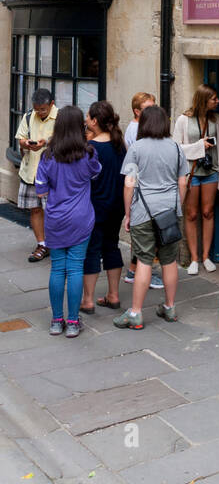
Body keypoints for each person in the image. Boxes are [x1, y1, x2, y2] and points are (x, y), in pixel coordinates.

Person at [114, 104, 187, 330]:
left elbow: (129, 184)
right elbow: (183, 181)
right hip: (170, 212)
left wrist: (128, 213)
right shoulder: (175, 148)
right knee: (169, 260)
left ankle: (136, 312)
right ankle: (169, 307)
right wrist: (177, 207)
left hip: (143, 211)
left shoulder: (136, 149)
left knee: (144, 259)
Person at [34, 105, 100, 338]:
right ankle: (73, 322)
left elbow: (40, 190)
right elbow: (95, 172)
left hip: (56, 218)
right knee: (75, 268)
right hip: (81, 217)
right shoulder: (89, 153)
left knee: (57, 269)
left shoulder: (48, 156)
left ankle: (56, 320)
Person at [173, 86, 219, 275]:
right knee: (191, 214)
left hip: (211, 171)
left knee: (207, 212)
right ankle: (194, 259)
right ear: (203, 100)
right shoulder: (183, 120)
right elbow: (176, 147)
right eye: (214, 98)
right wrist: (199, 146)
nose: (217, 101)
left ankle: (206, 256)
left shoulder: (217, 119)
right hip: (191, 172)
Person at [79, 101, 126, 314]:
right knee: (112, 246)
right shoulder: (119, 145)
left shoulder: (92, 149)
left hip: (95, 206)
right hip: (117, 206)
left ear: (95, 121)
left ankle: (87, 300)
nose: (86, 120)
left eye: (88, 117)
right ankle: (113, 295)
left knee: (92, 251)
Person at [122, 92, 163, 292]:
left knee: (143, 235)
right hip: (143, 189)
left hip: (143, 188)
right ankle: (143, 272)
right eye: (148, 108)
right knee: (147, 237)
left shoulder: (136, 127)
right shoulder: (137, 129)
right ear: (137, 111)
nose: (153, 110)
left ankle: (133, 270)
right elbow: (132, 172)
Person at [15, 88, 58, 262]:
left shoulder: (61, 118)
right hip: (31, 172)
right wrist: (26, 143)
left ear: (51, 104)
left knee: (54, 211)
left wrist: (46, 142)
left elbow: (66, 139)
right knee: (35, 209)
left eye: (43, 109)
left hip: (52, 175)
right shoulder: (28, 116)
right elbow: (20, 139)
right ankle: (42, 244)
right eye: (36, 109)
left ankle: (57, 244)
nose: (39, 112)